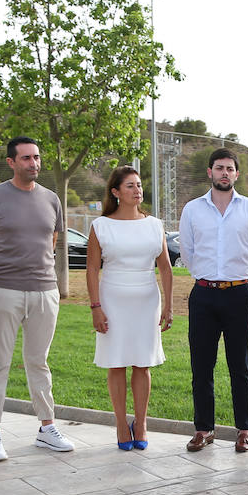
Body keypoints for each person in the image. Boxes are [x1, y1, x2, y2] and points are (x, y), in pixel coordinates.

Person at [0, 136, 71, 461]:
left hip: (45, 291)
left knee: (38, 362)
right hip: (4, 290)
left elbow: (51, 241)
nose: (34, 163)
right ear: (12, 162)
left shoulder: (52, 199)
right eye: (27, 158)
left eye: (37, 157)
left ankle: (47, 428)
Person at [178, 147, 248, 453]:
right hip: (203, 294)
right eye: (219, 168)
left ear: (237, 174)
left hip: (240, 293)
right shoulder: (192, 209)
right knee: (201, 366)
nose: (225, 173)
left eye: (230, 168)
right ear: (210, 172)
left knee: (239, 366)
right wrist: (207, 276)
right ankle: (204, 429)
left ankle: (245, 429)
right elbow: (188, 253)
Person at [87, 166, 174, 451]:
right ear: (115, 192)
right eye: (130, 186)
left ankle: (142, 422)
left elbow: (165, 267)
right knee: (116, 362)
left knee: (142, 362)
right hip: (112, 298)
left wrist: (169, 305)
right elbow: (91, 270)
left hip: (147, 299)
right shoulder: (101, 226)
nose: (137, 190)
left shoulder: (154, 224)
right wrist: (95, 307)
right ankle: (122, 424)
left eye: (139, 185)